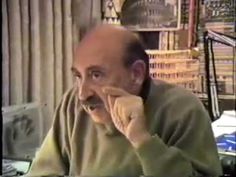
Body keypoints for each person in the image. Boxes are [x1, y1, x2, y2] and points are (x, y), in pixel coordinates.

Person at [27, 24, 222, 176]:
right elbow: (41, 173)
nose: (82, 94)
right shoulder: (72, 105)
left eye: (96, 75)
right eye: (78, 76)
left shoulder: (183, 110)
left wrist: (143, 141)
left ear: (136, 74)